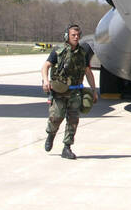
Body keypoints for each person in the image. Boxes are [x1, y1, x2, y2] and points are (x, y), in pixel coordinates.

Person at [42, 24, 98, 159]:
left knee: (73, 120)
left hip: (76, 92)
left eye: (78, 35)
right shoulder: (58, 51)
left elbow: (88, 72)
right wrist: (46, 81)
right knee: (56, 117)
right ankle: (51, 134)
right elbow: (46, 66)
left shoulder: (83, 53)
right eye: (73, 35)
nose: (76, 37)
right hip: (60, 91)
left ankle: (67, 147)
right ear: (67, 36)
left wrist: (93, 90)